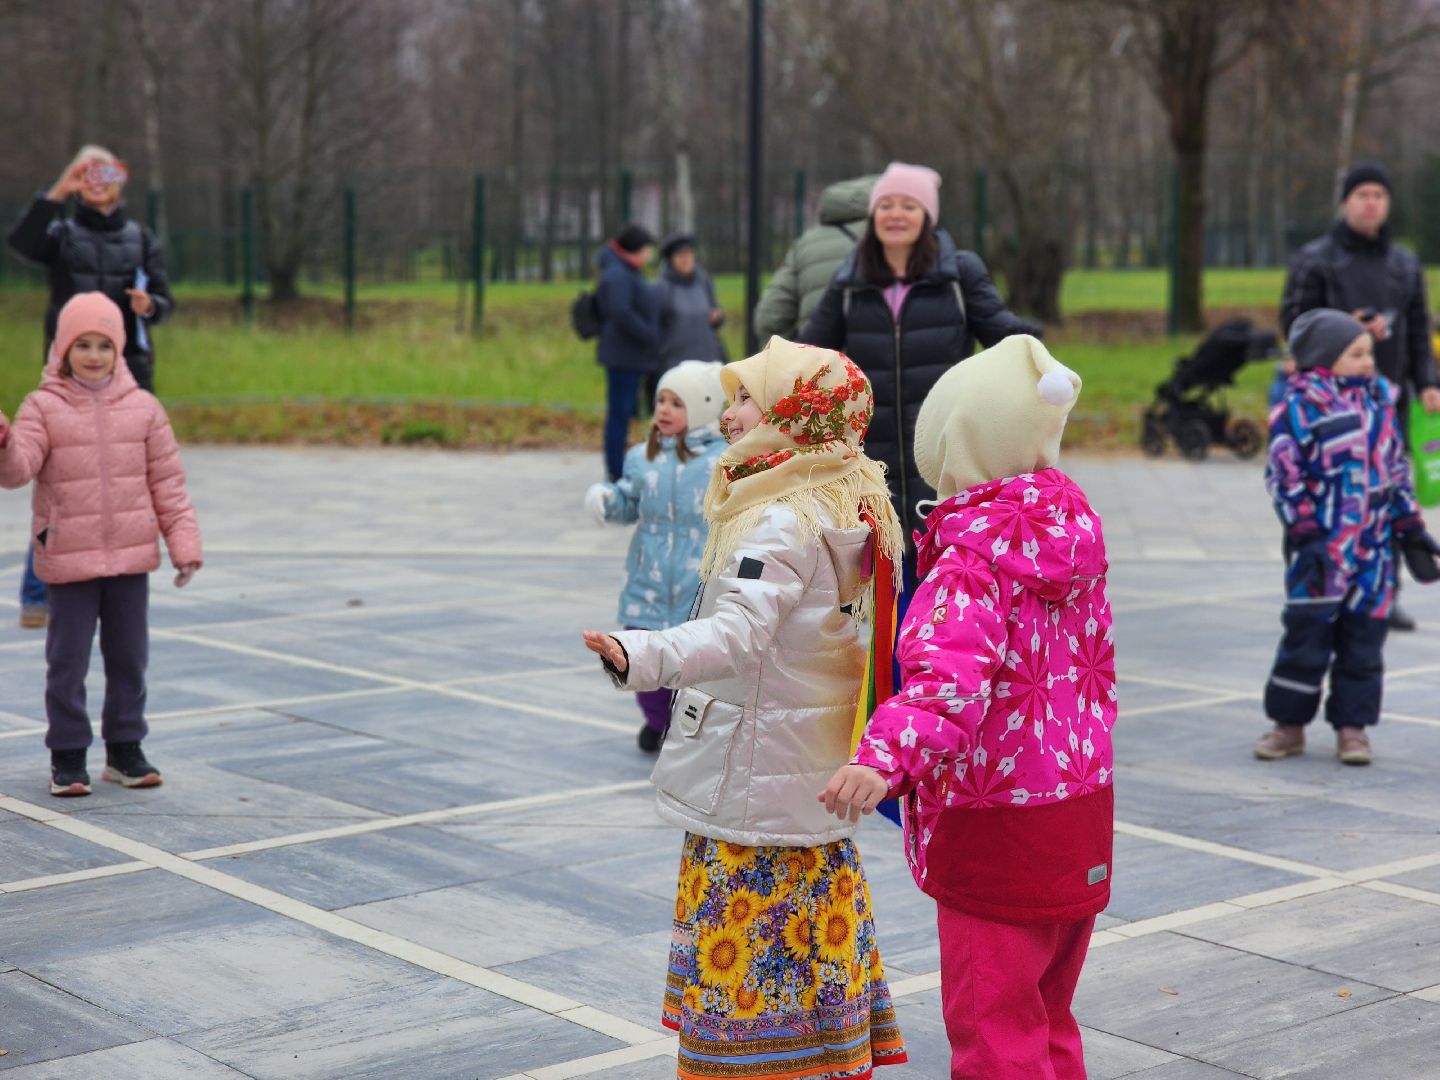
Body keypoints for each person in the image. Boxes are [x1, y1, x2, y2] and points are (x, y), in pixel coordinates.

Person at [582, 338, 909, 1079]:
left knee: (750, 966)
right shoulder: (845, 491)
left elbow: (736, 634)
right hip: (802, 774)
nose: (729, 416)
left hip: (760, 788)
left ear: (795, 415)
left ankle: (758, 1064)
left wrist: (642, 655)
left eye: (745, 399)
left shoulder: (780, 518)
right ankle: (816, 1055)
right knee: (806, 954)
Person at [819, 334, 1114, 1080]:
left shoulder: (969, 565)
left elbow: (945, 686)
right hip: (1077, 816)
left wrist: (880, 760)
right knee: (1048, 1016)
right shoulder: (1068, 535)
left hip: (996, 830)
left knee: (993, 1030)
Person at [0, 294, 202, 798]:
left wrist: (184, 543)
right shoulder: (42, 407)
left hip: (131, 560)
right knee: (67, 661)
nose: (93, 355)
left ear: (120, 351)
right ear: (61, 350)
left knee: (129, 657)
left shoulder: (144, 410)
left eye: (104, 345)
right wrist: (4, 444)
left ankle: (125, 749)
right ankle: (67, 755)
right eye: (82, 345)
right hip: (69, 559)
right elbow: (18, 470)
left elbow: (169, 485)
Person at [800, 162, 1033, 574]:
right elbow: (810, 354)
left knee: (943, 568)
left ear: (927, 216)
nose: (895, 214)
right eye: (886, 205)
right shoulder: (850, 280)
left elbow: (1004, 336)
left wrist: (1039, 360)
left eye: (908, 205)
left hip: (944, 448)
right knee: (884, 576)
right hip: (873, 452)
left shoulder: (959, 273)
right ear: (873, 217)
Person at [1256, 309, 1439, 767]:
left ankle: (1352, 729)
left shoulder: (1379, 404)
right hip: (1319, 553)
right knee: (1306, 640)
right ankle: (1288, 725)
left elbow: (1396, 470)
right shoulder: (1298, 409)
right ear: (1323, 358)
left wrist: (1410, 526)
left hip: (1374, 554)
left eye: (1369, 353)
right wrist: (1303, 529)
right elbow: (1282, 473)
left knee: (1364, 642)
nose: (1367, 362)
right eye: (1356, 354)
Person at [7, 145, 174, 630]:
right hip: (67, 380)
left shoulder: (141, 238)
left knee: (122, 485)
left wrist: (150, 307)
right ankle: (38, 594)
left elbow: (166, 299)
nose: (97, 181)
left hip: (129, 377)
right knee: (62, 483)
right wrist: (57, 192)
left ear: (123, 179)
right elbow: (22, 243)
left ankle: (115, 589)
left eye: (107, 172)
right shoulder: (61, 233)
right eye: (87, 172)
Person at [1280, 161, 1440, 631]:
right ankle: (1314, 587)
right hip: (1326, 402)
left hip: (1384, 401)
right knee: (1321, 496)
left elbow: (1417, 330)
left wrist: (1428, 381)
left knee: (1386, 493)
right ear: (1346, 201)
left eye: (1379, 194)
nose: (1372, 202)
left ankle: (1383, 594)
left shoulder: (1404, 263)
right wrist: (1344, 326)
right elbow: (1295, 322)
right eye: (1362, 194)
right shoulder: (1316, 258)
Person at [583, 360, 728, 753]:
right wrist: (606, 500)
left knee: (692, 662)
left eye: (677, 403)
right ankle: (656, 720)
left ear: (702, 409)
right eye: (660, 400)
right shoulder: (641, 457)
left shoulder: (723, 462)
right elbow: (630, 501)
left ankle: (687, 727)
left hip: (696, 584)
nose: (663, 410)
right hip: (647, 581)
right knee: (638, 659)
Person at [753, 174, 877, 340]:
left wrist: (802, 352)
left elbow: (769, 319)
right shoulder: (900, 239)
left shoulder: (805, 243)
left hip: (822, 363)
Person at [596, 223, 661, 483]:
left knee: (624, 412)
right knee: (619, 413)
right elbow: (621, 312)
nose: (649, 255)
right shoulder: (617, 274)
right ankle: (616, 471)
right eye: (646, 250)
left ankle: (620, 467)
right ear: (635, 250)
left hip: (630, 354)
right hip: (622, 356)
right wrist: (649, 333)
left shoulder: (624, 271)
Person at [654, 234, 727, 372]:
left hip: (707, 358)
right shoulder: (662, 287)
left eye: (688, 254)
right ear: (671, 260)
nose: (685, 259)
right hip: (675, 362)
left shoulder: (704, 281)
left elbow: (715, 311)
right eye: (680, 256)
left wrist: (718, 317)